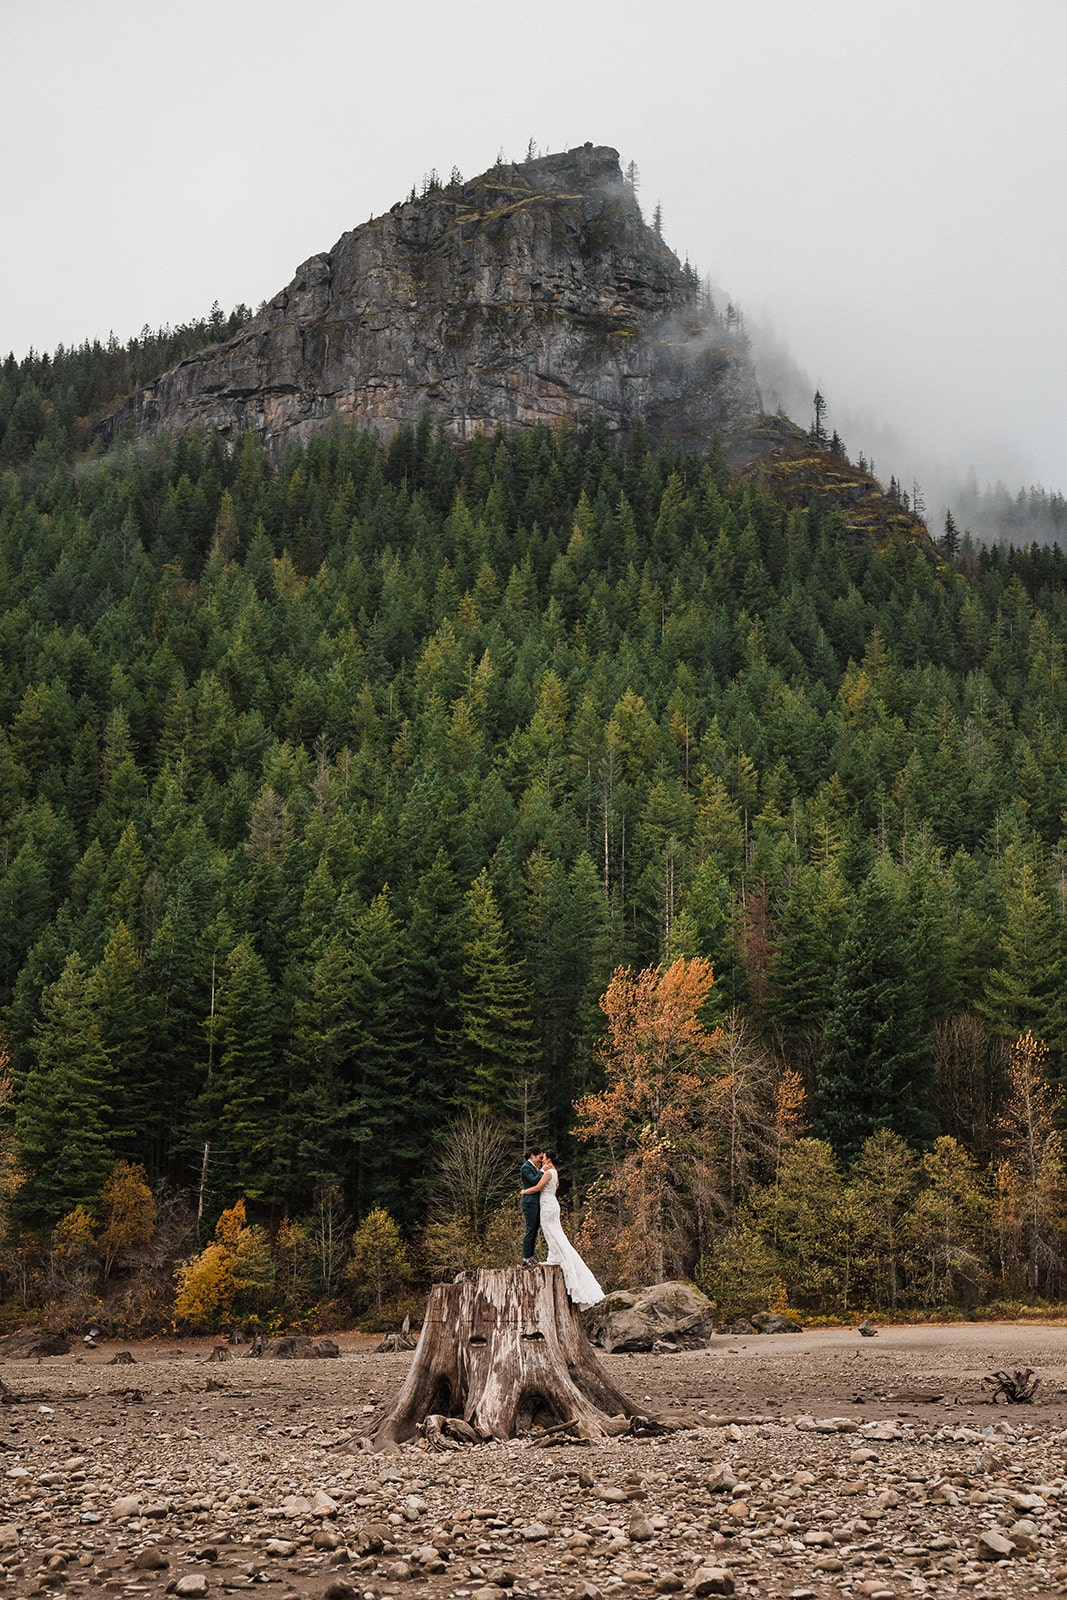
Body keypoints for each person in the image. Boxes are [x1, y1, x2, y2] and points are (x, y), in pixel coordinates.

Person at [521, 1148, 604, 1308]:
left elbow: (538, 1187)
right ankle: (553, 1256)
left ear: (548, 1159)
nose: (542, 1159)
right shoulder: (554, 1172)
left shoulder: (548, 1171)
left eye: (543, 1157)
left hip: (547, 1206)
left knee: (551, 1233)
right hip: (550, 1203)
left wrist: (524, 1191)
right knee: (553, 1233)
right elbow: (555, 1185)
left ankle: (555, 1258)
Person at [519, 1147, 544, 1265]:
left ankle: (531, 1256)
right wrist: (542, 1171)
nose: (540, 1160)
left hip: (536, 1201)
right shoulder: (525, 1167)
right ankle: (526, 1257)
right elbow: (533, 1181)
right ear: (533, 1156)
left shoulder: (534, 1167)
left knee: (534, 1230)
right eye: (539, 1157)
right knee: (530, 1229)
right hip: (529, 1202)